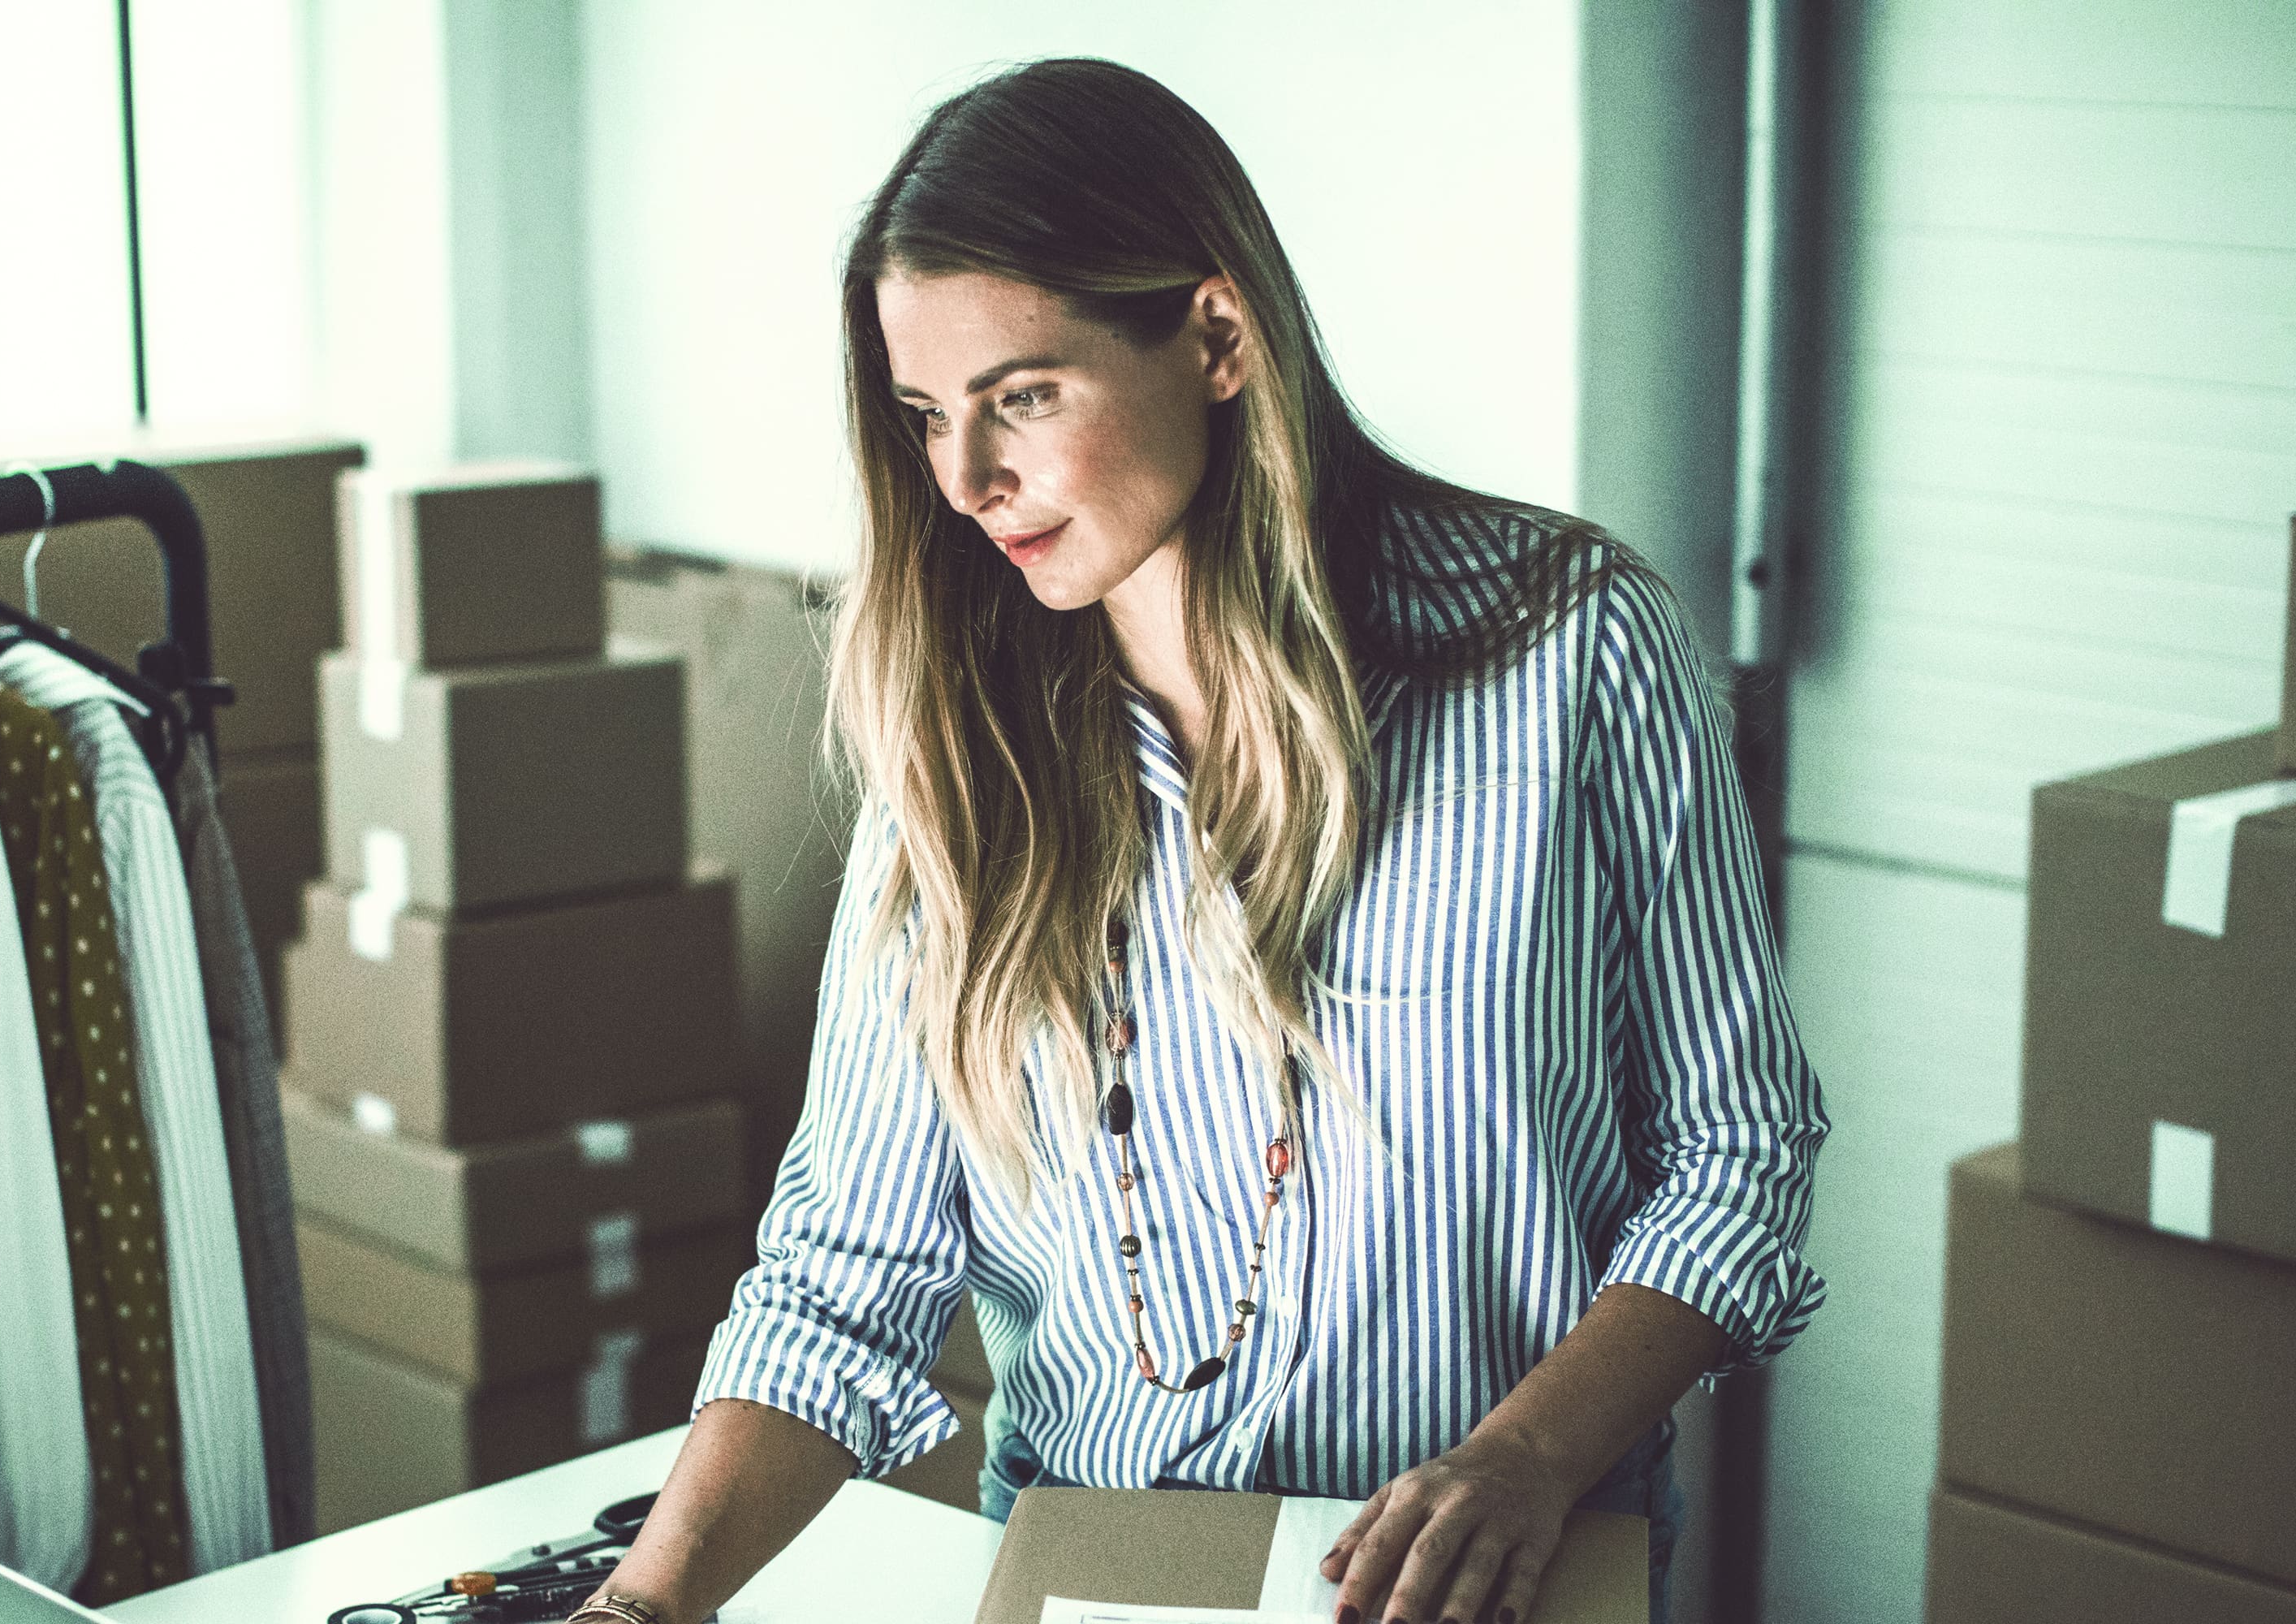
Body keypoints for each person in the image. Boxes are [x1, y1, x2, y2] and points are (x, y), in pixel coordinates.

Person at [563, 57, 1828, 1624]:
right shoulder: (956, 745)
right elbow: (841, 1272)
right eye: (925, 417)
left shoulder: (1572, 647)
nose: (965, 481)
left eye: (1022, 395)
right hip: (1095, 1579)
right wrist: (643, 1604)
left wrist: (1525, 1459)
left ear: (1216, 338)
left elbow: (1738, 1152)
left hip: (1493, 1579)